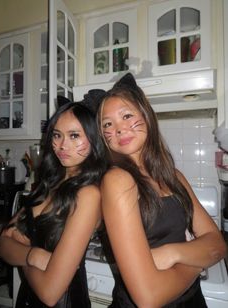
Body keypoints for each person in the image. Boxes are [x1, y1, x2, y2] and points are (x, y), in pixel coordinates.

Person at [97, 73, 227, 307]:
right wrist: (197, 261)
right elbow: (149, 297)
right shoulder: (117, 180)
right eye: (108, 124)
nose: (118, 128)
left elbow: (217, 243)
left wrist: (171, 254)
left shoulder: (174, 177)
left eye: (127, 115)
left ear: (146, 117)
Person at [0, 97, 108, 307]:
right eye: (57, 135)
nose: (62, 145)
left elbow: (50, 292)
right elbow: (2, 244)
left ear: (95, 140)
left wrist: (20, 251)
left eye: (74, 136)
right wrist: (32, 255)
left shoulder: (88, 194)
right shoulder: (48, 182)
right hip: (27, 299)